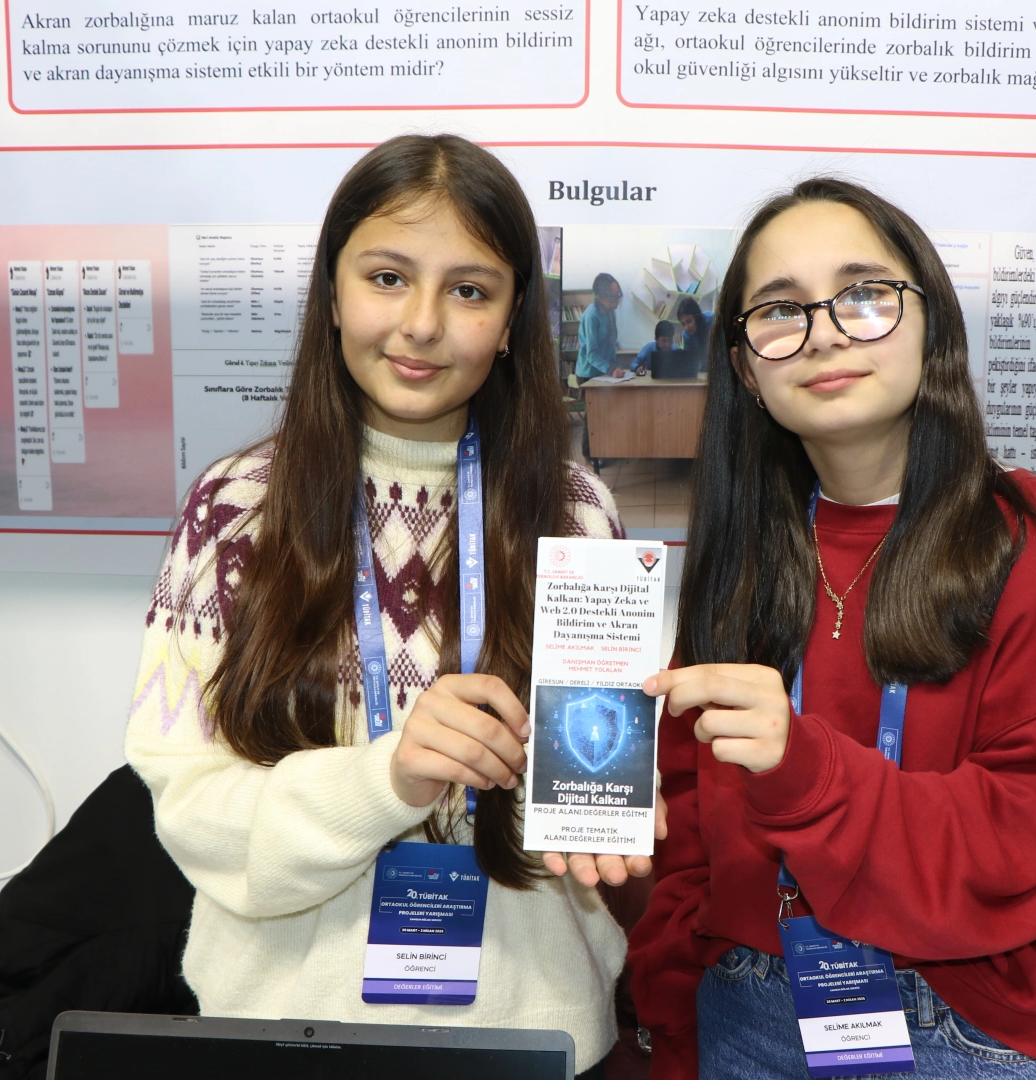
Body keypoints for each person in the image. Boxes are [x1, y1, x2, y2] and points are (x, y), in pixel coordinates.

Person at [125, 135, 656, 1080]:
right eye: (386, 278)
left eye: (469, 290)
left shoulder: (578, 514)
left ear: (511, 321)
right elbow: (192, 811)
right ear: (332, 295)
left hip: (534, 1032)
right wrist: (389, 780)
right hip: (287, 1033)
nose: (421, 324)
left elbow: (592, 779)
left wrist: (611, 798)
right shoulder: (234, 510)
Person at [628, 178, 1036, 1079]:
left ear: (931, 321)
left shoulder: (1034, 537)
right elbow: (691, 817)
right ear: (744, 367)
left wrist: (806, 769)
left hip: (960, 1015)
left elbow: (1026, 830)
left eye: (862, 294)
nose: (823, 333)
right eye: (780, 310)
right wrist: (667, 994)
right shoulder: (743, 547)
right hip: (743, 999)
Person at [576, 272, 625, 379]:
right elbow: (591, 354)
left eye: (617, 294)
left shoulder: (610, 312)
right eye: (613, 296)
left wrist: (614, 367)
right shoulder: (591, 315)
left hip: (604, 372)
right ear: (600, 296)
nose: (616, 299)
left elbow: (610, 344)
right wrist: (610, 370)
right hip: (588, 374)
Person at [674, 295, 713, 372]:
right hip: (705, 369)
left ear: (696, 316)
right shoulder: (686, 335)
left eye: (689, 321)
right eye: (683, 324)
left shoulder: (712, 319)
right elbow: (689, 361)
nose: (686, 327)